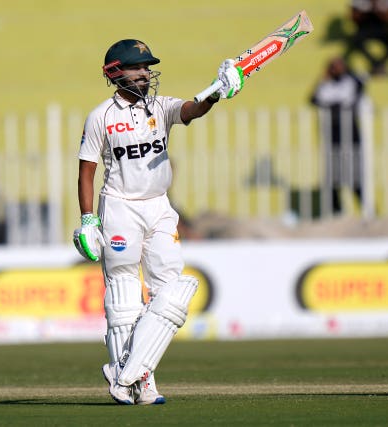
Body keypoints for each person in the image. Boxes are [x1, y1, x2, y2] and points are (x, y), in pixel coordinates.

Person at [72, 39, 242, 405]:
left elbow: (192, 109)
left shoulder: (160, 108)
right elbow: (87, 170)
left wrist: (216, 93)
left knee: (172, 292)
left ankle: (127, 373)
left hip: (160, 207)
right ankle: (140, 383)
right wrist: (87, 219)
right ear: (116, 72)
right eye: (139, 67)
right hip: (119, 207)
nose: (146, 73)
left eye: (148, 67)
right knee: (123, 293)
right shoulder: (101, 116)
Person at [310, 57, 367, 215]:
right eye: (333, 66)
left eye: (340, 65)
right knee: (333, 174)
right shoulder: (325, 84)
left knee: (355, 173)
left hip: (351, 134)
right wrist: (324, 77)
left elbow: (358, 88)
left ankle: (366, 208)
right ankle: (336, 210)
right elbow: (314, 98)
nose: (337, 69)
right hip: (332, 135)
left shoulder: (352, 82)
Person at [346, 0, 388, 76]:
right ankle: (376, 64)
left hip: (382, 28)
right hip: (364, 28)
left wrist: (376, 9)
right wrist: (365, 11)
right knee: (356, 39)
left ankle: (380, 64)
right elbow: (353, 17)